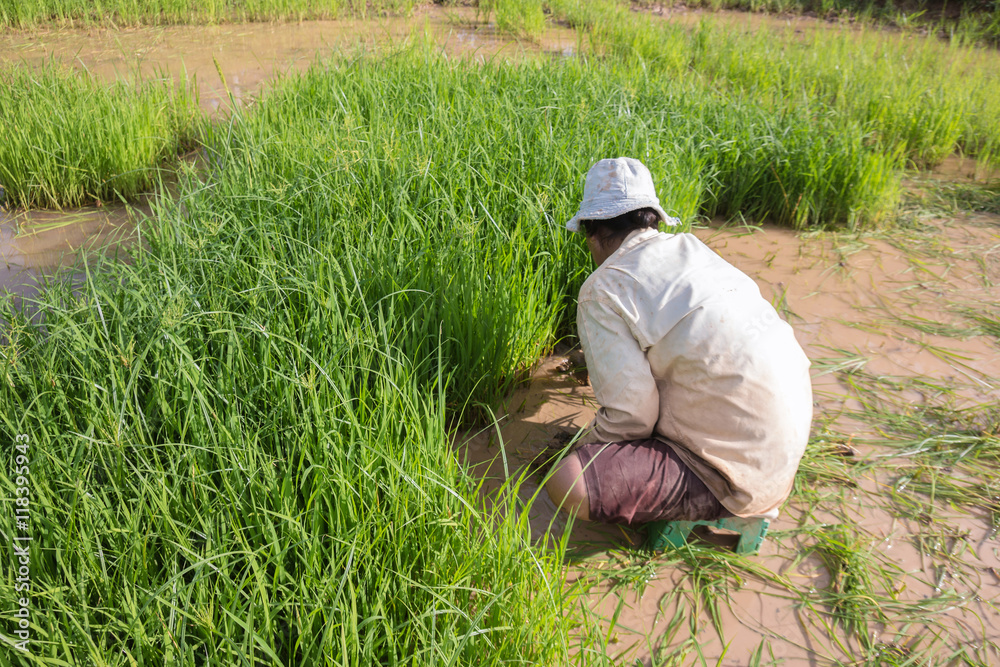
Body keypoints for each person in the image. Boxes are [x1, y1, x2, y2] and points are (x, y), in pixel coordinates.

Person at [545, 157, 813, 526]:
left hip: (729, 478)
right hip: (781, 448)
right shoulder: (695, 251)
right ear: (652, 218)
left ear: (591, 231)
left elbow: (630, 418)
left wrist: (581, 446)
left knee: (568, 481)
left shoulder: (603, 288)